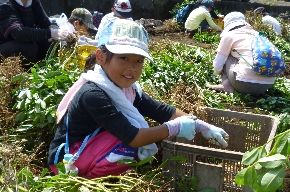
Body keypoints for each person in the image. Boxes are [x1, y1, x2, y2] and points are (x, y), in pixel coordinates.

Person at [47, 19, 229, 178]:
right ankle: (88, 177)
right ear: (101, 57)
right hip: (67, 160)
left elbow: (162, 111)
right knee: (131, 142)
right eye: (124, 58)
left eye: (139, 61)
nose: (132, 68)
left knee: (140, 133)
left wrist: (200, 125)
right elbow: (133, 137)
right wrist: (175, 127)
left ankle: (100, 165)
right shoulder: (93, 94)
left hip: (91, 147)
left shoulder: (127, 90)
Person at [206, 12, 276, 96]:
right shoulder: (258, 35)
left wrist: (216, 74)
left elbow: (217, 66)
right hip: (267, 85)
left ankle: (226, 85)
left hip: (243, 84)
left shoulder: (229, 35)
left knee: (227, 55)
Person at [0, 0, 73, 66]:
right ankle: (21, 74)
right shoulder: (5, 4)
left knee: (52, 43)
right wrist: (53, 33)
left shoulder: (33, 2)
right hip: (4, 47)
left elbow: (45, 25)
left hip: (23, 43)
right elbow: (18, 33)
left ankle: (42, 66)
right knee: (28, 47)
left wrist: (61, 33)